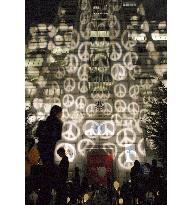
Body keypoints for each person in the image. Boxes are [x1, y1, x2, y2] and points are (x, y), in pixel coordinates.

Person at [36, 105, 63, 205]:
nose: (61, 115)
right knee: (49, 172)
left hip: (42, 150)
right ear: (58, 113)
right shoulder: (58, 123)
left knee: (46, 169)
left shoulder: (43, 123)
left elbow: (38, 134)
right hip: (49, 149)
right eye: (60, 113)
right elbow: (58, 137)